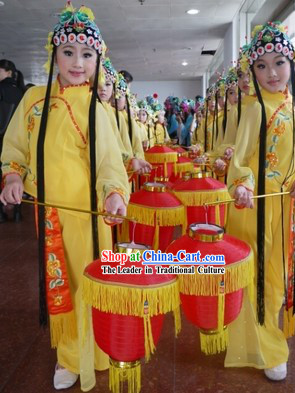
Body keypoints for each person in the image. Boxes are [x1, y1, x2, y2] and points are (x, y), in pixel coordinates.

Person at [0, 4, 130, 390]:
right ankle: (70, 356)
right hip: (52, 213)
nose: (77, 62)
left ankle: (99, 348)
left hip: (91, 216)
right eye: (68, 52)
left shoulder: (97, 108)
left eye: (87, 54)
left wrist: (113, 195)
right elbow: (15, 149)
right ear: (53, 55)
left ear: (98, 59)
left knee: (94, 282)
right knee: (63, 287)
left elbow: (109, 162)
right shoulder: (33, 100)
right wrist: (12, 176)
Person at [224, 22, 295, 381]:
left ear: (292, 64)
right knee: (258, 278)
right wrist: (243, 185)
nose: (271, 73)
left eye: (279, 62)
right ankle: (268, 348)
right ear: (253, 71)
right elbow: (240, 161)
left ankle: (265, 339)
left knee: (279, 278)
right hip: (254, 208)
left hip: (286, 209)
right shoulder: (253, 110)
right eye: (262, 66)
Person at [0, 59, 25, 222]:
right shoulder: (23, 92)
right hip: (19, 141)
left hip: (2, 140)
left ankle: (1, 214)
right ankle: (17, 211)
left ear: (8, 72)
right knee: (18, 176)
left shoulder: (1, 89)